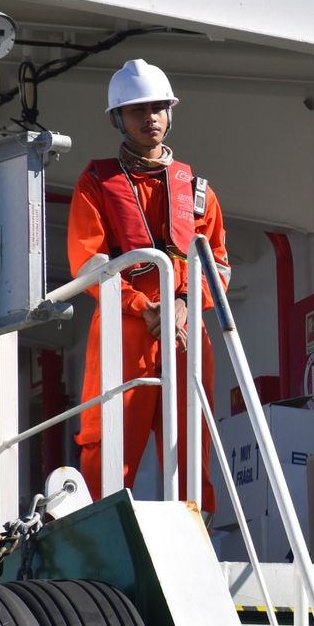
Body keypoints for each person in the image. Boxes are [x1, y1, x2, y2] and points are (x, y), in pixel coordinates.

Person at [67, 59, 231, 513]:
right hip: (125, 331)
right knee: (108, 444)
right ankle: (98, 537)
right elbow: (88, 262)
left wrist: (182, 303)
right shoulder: (95, 184)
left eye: (158, 107)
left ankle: (197, 533)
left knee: (191, 440)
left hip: (184, 330)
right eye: (138, 110)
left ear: (170, 112)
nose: (150, 117)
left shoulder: (199, 192)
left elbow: (218, 265)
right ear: (118, 118)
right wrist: (143, 306)